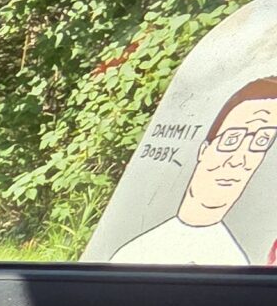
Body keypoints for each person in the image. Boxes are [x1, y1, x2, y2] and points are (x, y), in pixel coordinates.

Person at [111, 76, 277, 264]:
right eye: (231, 140)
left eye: (260, 142)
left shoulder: (234, 260)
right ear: (204, 149)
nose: (239, 160)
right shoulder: (134, 255)